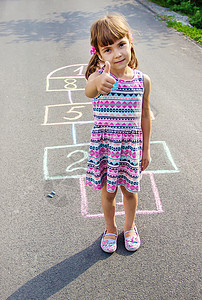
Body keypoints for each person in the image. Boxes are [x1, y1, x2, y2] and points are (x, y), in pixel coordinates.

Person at [85, 14, 151, 253]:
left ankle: (130, 227)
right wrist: (100, 81)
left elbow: (145, 115)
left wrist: (146, 149)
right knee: (108, 192)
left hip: (130, 146)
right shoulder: (98, 78)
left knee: (130, 191)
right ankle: (110, 229)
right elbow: (89, 91)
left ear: (130, 40)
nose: (117, 54)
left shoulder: (143, 80)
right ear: (99, 54)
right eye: (108, 49)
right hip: (107, 146)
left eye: (121, 44)